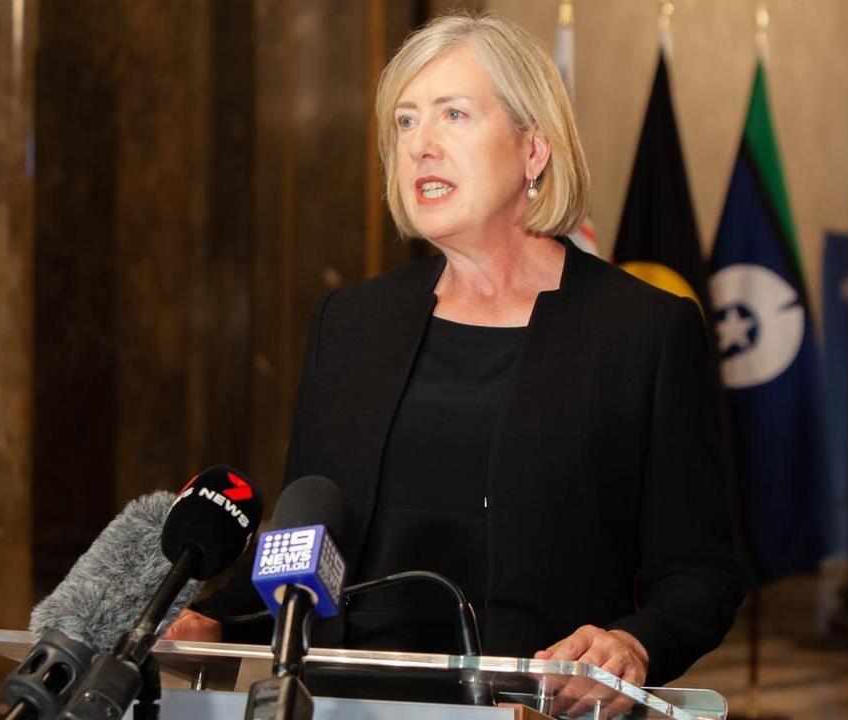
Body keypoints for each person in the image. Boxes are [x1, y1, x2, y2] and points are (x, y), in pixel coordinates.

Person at [167, 13, 741, 697]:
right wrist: (209, 621)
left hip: (533, 706)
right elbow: (303, 548)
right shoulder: (351, 324)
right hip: (345, 703)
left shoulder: (641, 331)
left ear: (534, 150)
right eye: (405, 123)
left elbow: (700, 575)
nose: (420, 147)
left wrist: (632, 644)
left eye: (453, 115)